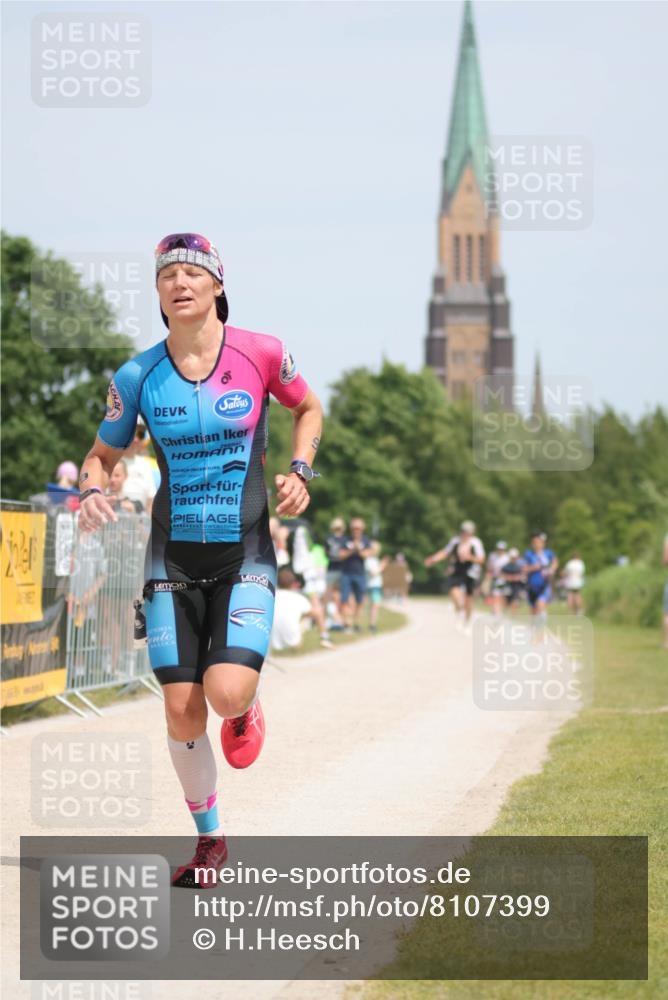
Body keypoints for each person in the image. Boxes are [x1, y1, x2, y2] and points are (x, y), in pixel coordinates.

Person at [77, 232, 322, 886]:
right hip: (171, 561)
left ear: (217, 285)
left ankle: (244, 704)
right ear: (159, 294)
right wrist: (93, 487)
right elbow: (101, 455)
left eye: (193, 273)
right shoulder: (136, 376)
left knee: (223, 692)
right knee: (181, 709)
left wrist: (302, 469)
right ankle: (210, 839)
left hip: (245, 551)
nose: (180, 283)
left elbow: (309, 408)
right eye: (167, 276)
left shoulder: (262, 353)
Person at [424, 520, 485, 632]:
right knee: (453, 591)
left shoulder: (476, 543)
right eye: (463, 531)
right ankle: (460, 610)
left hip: (471, 572)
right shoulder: (455, 541)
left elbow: (481, 560)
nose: (465, 534)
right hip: (458, 570)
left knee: (469, 599)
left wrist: (470, 557)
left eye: (467, 532)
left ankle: (467, 622)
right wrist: (433, 559)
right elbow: (445, 552)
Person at [272, 568, 334, 651]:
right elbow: (318, 613)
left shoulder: (270, 596)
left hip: (270, 644)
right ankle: (325, 638)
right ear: (293, 583)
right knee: (308, 616)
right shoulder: (298, 598)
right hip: (293, 643)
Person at [338, 518, 375, 632]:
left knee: (360, 600)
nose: (356, 530)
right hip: (346, 574)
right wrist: (351, 549)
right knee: (344, 599)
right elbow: (340, 555)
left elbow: (368, 554)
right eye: (354, 528)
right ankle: (346, 623)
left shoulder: (366, 540)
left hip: (360, 574)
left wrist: (358, 549)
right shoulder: (345, 540)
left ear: (362, 529)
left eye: (358, 528)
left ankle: (356, 622)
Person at [523, 531, 559, 628]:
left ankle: (541, 625)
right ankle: (533, 630)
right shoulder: (529, 554)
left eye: (538, 542)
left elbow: (555, 563)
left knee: (540, 604)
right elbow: (524, 569)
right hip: (532, 586)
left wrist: (551, 570)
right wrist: (534, 567)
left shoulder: (548, 553)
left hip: (544, 585)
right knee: (533, 611)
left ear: (543, 543)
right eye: (534, 542)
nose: (536, 544)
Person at [122, 419, 158, 513]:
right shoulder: (110, 462)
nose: (136, 439)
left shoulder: (145, 465)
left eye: (140, 435)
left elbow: (151, 501)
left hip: (139, 521)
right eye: (132, 434)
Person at [364, 541, 388, 633]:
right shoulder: (369, 560)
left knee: (375, 605)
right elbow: (373, 573)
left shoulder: (375, 560)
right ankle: (372, 624)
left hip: (376, 585)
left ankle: (373, 623)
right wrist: (382, 566)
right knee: (374, 605)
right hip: (372, 585)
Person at [484, 540, 509, 617]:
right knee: (495, 595)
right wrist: (488, 576)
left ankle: (498, 611)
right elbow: (489, 567)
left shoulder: (507, 557)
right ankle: (496, 612)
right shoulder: (493, 556)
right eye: (499, 548)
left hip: (505, 580)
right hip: (495, 579)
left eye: (502, 549)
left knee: (502, 597)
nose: (500, 550)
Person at [501, 547, 525, 613]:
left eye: (514, 557)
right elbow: (502, 575)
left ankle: (513, 616)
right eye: (512, 557)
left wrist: (517, 578)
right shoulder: (506, 566)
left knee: (515, 602)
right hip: (507, 586)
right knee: (506, 602)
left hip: (516, 587)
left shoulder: (520, 566)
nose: (513, 559)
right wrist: (510, 578)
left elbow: (523, 576)